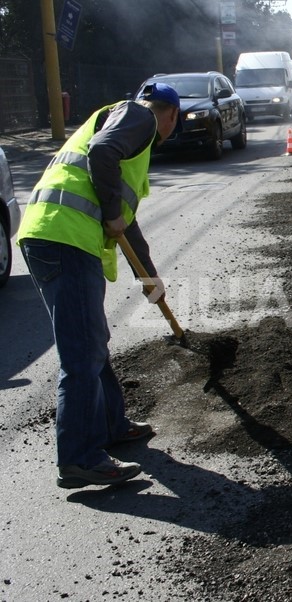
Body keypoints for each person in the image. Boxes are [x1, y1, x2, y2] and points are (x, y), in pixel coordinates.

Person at [17, 82, 181, 489]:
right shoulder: (138, 116)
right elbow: (102, 155)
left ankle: (112, 424)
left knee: (91, 339)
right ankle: (80, 458)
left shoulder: (130, 140)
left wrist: (149, 278)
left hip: (51, 236)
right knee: (81, 353)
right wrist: (110, 212)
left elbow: (127, 222)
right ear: (172, 116)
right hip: (64, 238)